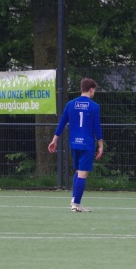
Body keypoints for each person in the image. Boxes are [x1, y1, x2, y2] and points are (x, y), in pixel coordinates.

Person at [48, 78, 103, 212]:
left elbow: (62, 123)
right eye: (94, 90)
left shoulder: (70, 104)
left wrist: (54, 140)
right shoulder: (94, 106)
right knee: (83, 175)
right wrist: (101, 145)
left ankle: (74, 200)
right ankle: (76, 205)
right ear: (91, 90)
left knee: (78, 172)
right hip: (87, 144)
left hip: (74, 143)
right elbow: (97, 127)